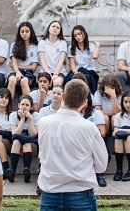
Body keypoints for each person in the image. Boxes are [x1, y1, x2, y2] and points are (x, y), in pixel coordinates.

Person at [38, 79, 108, 210]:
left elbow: (43, 154)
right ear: (85, 102)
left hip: (51, 192)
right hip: (79, 193)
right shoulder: (89, 128)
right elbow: (101, 165)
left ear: (63, 97)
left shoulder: (43, 123)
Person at [6, 95, 39, 183]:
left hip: (32, 145)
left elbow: (33, 135)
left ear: (31, 107)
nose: (24, 107)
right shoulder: (13, 115)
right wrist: (22, 119)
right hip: (17, 143)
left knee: (27, 143)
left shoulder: (36, 115)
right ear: (18, 105)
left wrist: (31, 119)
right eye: (22, 104)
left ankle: (26, 171)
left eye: (27, 105)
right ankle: (12, 171)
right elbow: (15, 134)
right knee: (16, 141)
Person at [6, 21, 39, 99]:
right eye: (22, 31)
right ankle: (7, 108)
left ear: (31, 32)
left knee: (23, 81)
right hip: (15, 71)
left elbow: (33, 67)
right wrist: (17, 71)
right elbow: (13, 62)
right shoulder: (14, 45)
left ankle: (28, 106)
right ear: (19, 33)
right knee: (12, 79)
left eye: (27, 31)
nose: (24, 34)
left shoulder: (35, 46)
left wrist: (18, 66)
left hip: (29, 74)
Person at [66, 25, 100, 94]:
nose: (78, 37)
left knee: (87, 77)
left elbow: (95, 56)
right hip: (77, 70)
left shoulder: (91, 46)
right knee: (71, 78)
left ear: (84, 33)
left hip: (89, 71)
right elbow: (72, 63)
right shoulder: (71, 48)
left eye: (79, 34)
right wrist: (75, 72)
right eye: (75, 35)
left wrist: (97, 46)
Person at [37, 20, 68, 87]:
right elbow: (42, 61)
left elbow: (61, 61)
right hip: (44, 71)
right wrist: (49, 76)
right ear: (48, 29)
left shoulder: (63, 43)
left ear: (60, 31)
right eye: (53, 26)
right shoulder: (42, 43)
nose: (55, 28)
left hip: (59, 72)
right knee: (45, 83)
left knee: (56, 82)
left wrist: (55, 75)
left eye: (57, 27)